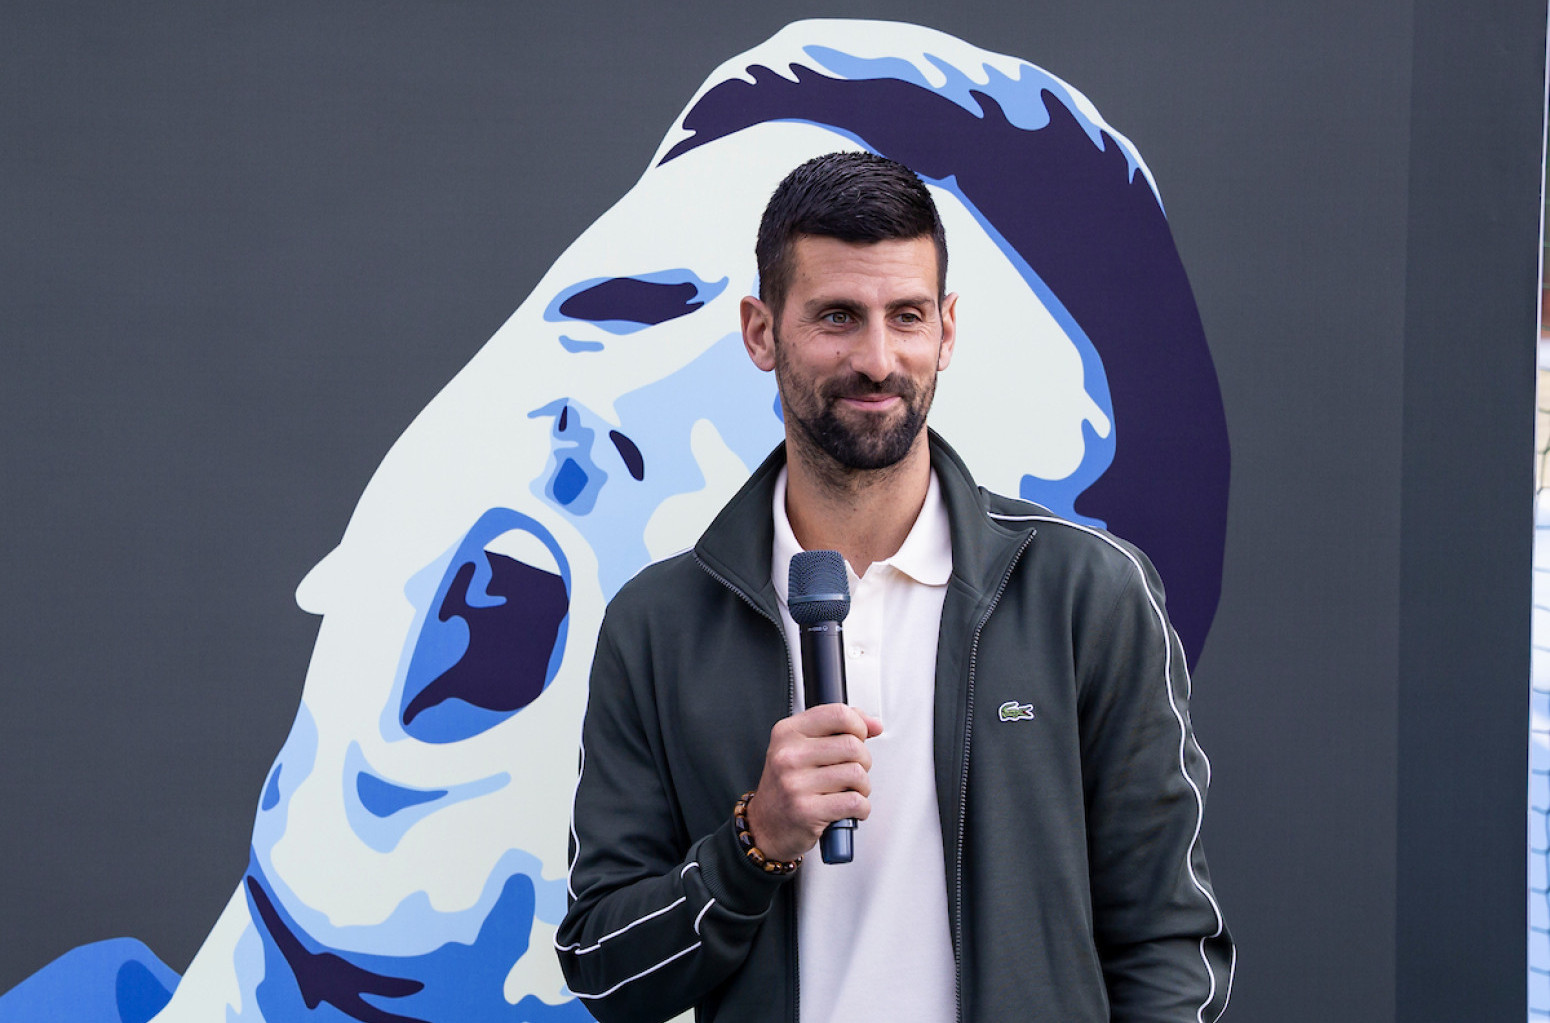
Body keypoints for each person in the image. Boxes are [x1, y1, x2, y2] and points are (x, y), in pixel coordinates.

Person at [556, 152, 1233, 1022]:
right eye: (837, 316)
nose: (878, 360)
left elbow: (1169, 942)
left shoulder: (1086, 594)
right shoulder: (659, 626)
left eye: (906, 316)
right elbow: (605, 970)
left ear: (946, 330)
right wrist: (754, 842)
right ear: (760, 332)